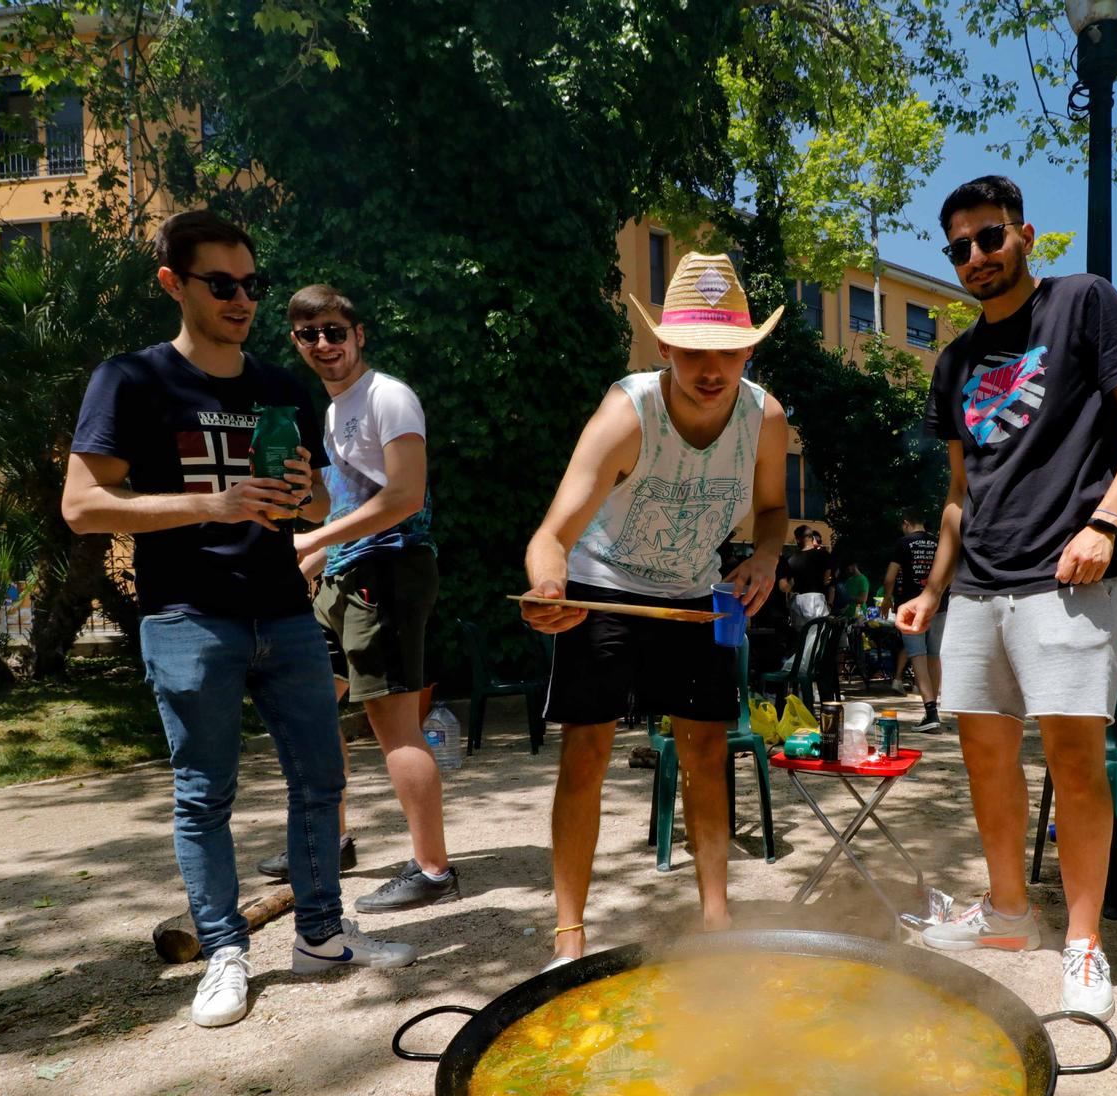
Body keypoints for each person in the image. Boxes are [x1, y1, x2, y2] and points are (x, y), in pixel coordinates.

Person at [63, 211, 416, 1030]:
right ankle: (225, 950)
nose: (240, 299)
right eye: (220, 284)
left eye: (250, 284)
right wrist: (210, 504)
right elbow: (82, 505)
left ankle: (322, 935)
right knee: (204, 793)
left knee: (321, 781)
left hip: (285, 612)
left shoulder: (279, 385)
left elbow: (323, 497)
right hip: (187, 617)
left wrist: (302, 496)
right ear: (172, 284)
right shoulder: (132, 380)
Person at [896, 175, 1117, 1022]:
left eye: (988, 238)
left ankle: (1082, 938)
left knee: (1074, 761)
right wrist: (931, 590)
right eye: (958, 248)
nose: (974, 257)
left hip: (1070, 574)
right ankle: (1011, 912)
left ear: (1023, 234)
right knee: (984, 756)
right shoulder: (953, 362)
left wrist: (1105, 521)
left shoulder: (1082, 303)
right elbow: (957, 489)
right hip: (977, 584)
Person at [521, 253, 788, 970]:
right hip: (602, 582)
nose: (711, 369)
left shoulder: (765, 419)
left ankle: (716, 920)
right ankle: (568, 938)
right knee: (588, 750)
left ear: (748, 350)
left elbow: (772, 511)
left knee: (707, 750)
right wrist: (549, 590)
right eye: (694, 351)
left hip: (693, 592)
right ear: (664, 346)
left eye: (727, 352)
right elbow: (552, 535)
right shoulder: (627, 411)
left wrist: (764, 557)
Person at [265, 283, 459, 913]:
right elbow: (348, 505)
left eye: (335, 332)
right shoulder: (327, 412)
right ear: (296, 342)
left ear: (359, 334)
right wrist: (313, 556)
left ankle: (433, 870)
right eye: (309, 334)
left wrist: (313, 537)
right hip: (344, 574)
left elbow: (404, 497)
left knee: (393, 722)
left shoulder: (387, 396)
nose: (324, 344)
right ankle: (335, 838)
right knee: (312, 700)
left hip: (392, 572)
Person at [883, 513, 945, 732]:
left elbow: (890, 576)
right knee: (934, 655)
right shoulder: (938, 541)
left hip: (911, 606)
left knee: (917, 656)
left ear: (906, 523)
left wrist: (887, 599)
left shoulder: (903, 543)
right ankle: (934, 709)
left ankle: (930, 713)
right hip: (939, 604)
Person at [788, 525, 833, 622]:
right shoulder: (824, 555)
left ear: (798, 539)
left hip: (799, 600)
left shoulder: (791, 559)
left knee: (802, 633)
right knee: (818, 632)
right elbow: (827, 580)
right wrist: (830, 603)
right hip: (818, 600)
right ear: (812, 537)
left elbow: (790, 585)